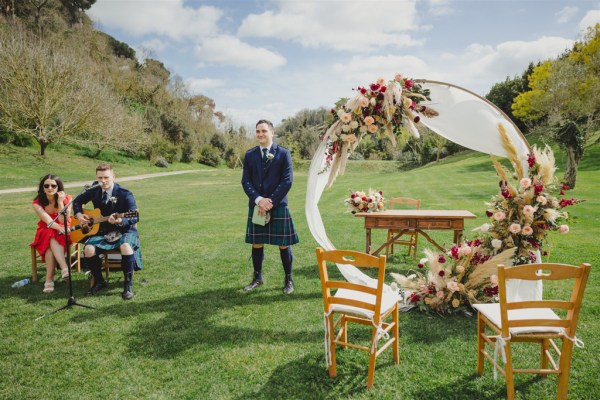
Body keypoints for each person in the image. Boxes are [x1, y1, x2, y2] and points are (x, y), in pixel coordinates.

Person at [241, 119, 299, 294]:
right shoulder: (250, 155)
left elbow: (287, 181)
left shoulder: (283, 153)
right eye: (258, 131)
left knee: (283, 244)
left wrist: (269, 202)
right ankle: (257, 278)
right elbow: (245, 181)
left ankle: (288, 279)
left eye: (264, 131)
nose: (260, 134)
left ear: (272, 133)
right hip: (258, 205)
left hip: (278, 205)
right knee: (257, 243)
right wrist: (259, 200)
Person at [73, 163, 142, 300]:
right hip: (102, 230)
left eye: (106, 177)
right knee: (88, 249)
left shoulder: (125, 194)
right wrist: (80, 215)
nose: (103, 181)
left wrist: (120, 221)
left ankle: (128, 285)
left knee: (126, 246)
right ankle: (99, 281)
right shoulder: (94, 189)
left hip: (124, 230)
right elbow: (76, 202)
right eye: (100, 178)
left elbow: (134, 216)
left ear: (113, 177)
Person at [30, 174, 72, 294]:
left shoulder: (67, 198)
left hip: (64, 227)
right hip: (47, 229)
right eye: (46, 185)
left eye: (53, 185)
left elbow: (62, 219)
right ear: (42, 187)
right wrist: (59, 228)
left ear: (58, 187)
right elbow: (48, 222)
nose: (50, 188)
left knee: (50, 238)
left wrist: (60, 202)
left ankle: (49, 279)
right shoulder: (37, 203)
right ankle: (64, 268)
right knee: (49, 233)